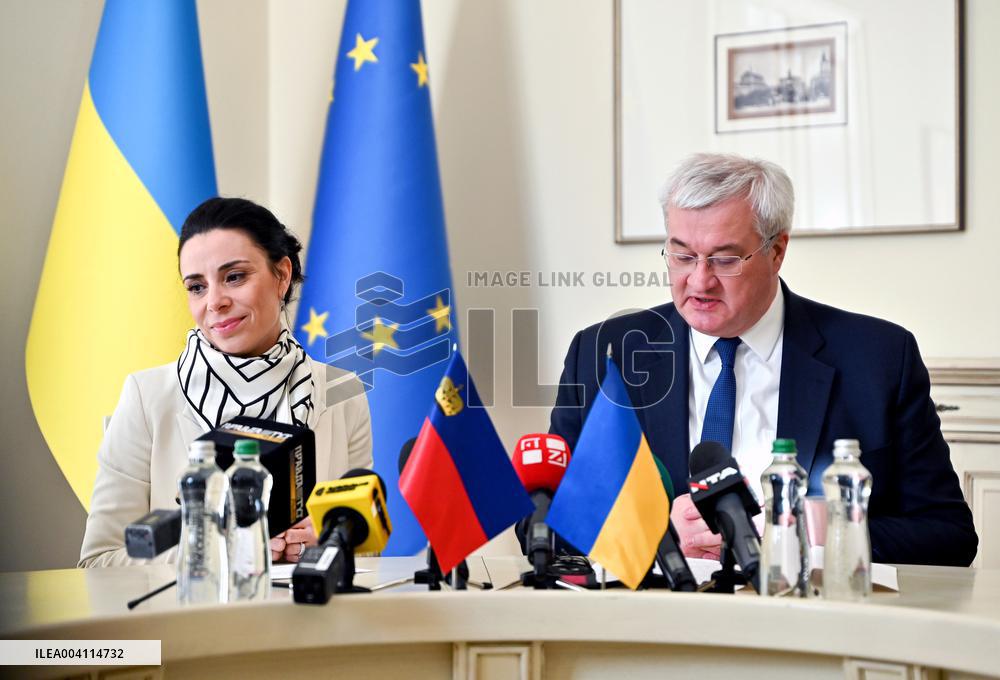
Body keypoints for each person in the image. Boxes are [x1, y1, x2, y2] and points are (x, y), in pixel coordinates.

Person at [550, 153, 977, 567]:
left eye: (726, 259)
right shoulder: (605, 354)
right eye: (682, 256)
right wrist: (652, 532)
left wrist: (794, 531)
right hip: (651, 626)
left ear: (776, 252)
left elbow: (947, 535)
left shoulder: (878, 358)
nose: (700, 280)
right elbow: (547, 530)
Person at [79, 197, 372, 567]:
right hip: (192, 622)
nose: (214, 302)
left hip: (310, 619)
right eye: (197, 286)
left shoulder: (343, 392)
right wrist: (218, 550)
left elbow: (367, 550)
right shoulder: (147, 396)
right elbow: (99, 560)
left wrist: (333, 539)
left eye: (234, 277)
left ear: (281, 275)